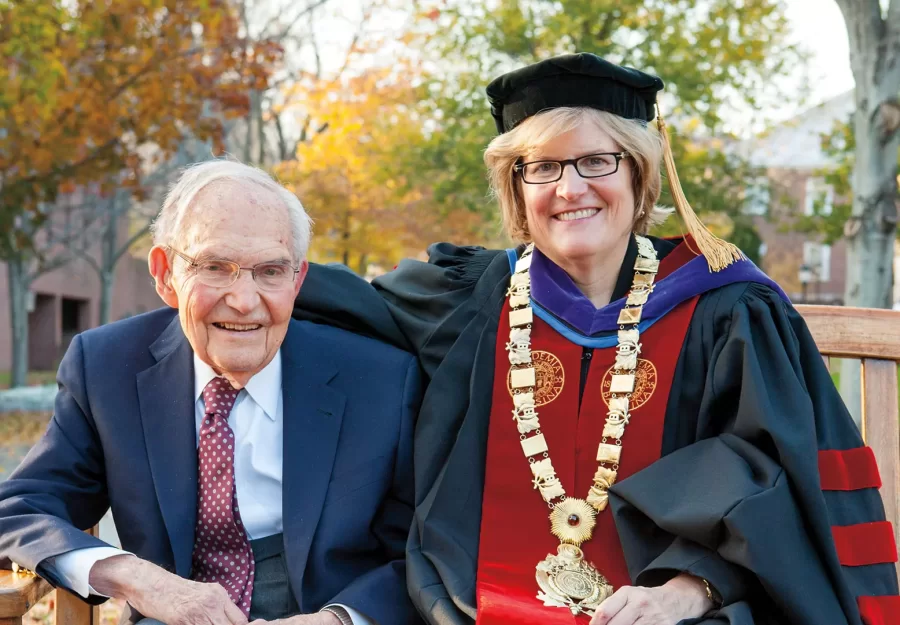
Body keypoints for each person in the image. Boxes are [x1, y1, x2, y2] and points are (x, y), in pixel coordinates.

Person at [293, 54, 900, 624]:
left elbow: (774, 486)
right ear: (518, 188)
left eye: (596, 161)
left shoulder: (726, 311)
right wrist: (220, 268)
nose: (570, 187)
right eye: (544, 167)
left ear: (639, 173)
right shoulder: (469, 299)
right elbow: (306, 290)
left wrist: (685, 592)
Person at [0, 160, 424, 625]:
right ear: (165, 274)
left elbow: (423, 552)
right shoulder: (105, 367)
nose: (244, 301)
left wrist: (341, 619)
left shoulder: (381, 380)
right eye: (215, 267)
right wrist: (134, 577)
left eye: (270, 271)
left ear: (297, 280)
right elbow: (19, 508)